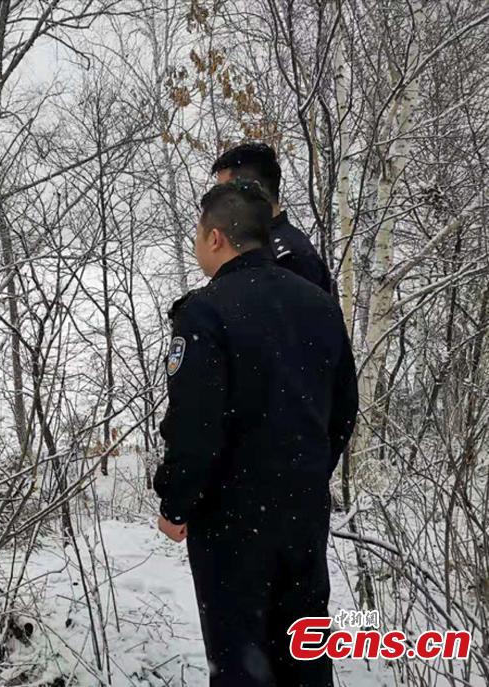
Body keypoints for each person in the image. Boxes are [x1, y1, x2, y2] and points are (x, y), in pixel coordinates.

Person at [154, 180, 358, 686]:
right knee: (305, 658)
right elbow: (344, 412)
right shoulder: (319, 304)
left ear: (218, 237)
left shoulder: (205, 311)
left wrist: (176, 502)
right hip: (303, 517)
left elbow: (195, 427)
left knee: (241, 664)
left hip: (232, 523)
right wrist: (305, 475)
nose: (198, 245)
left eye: (199, 235)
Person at [211, 143, 333, 294]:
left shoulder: (291, 257)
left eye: (225, 193)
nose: (219, 203)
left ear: (252, 189)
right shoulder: (249, 246)